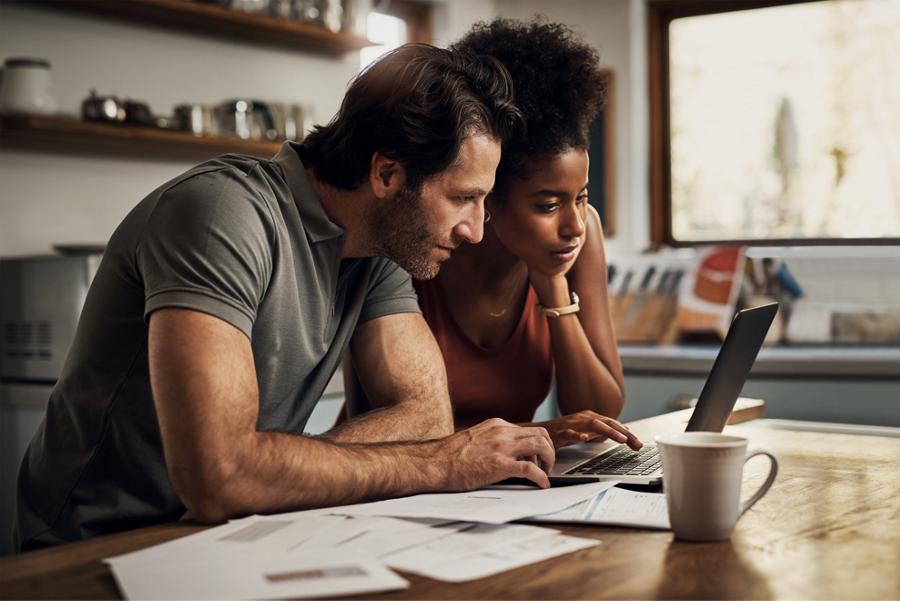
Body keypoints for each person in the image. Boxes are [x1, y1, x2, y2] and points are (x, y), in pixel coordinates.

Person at [14, 44, 557, 551]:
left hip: (227, 534)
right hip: (95, 546)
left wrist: (271, 470)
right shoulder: (221, 214)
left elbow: (426, 416)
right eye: (463, 198)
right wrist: (440, 466)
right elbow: (219, 476)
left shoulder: (379, 250)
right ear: (387, 172)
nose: (477, 231)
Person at [344, 20, 643, 452]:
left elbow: (601, 413)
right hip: (393, 485)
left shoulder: (578, 238)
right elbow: (375, 426)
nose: (574, 225)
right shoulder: (417, 243)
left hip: (500, 489)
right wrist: (536, 434)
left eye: (581, 197)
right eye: (547, 205)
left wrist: (553, 289)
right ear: (489, 195)